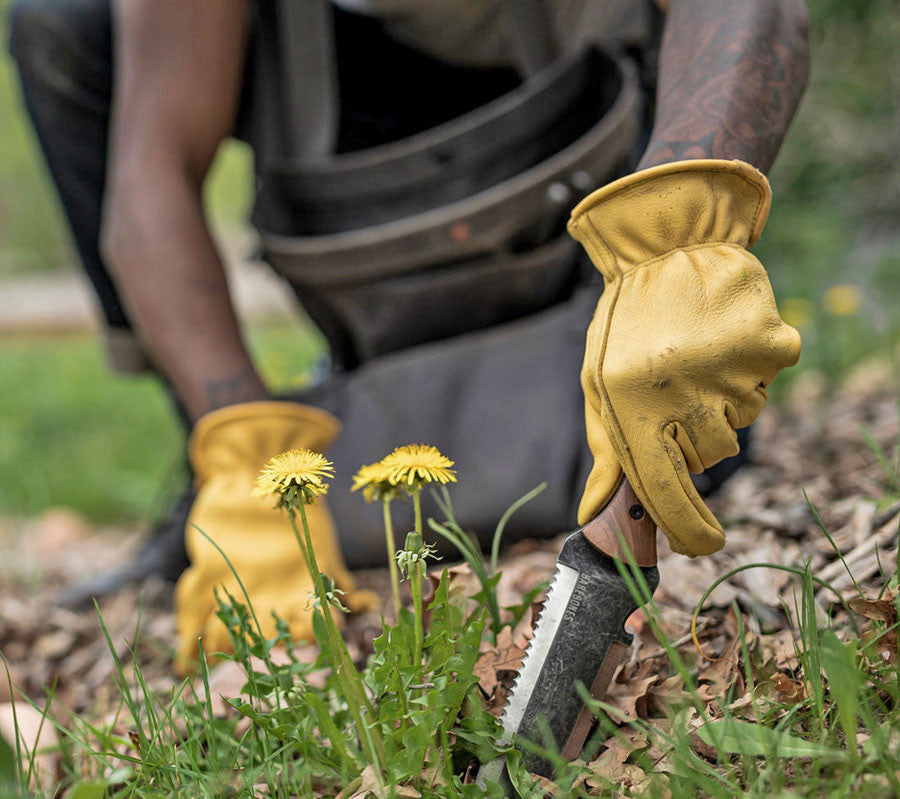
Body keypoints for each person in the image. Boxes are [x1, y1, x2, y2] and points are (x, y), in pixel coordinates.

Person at [8, 0, 808, 668]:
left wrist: (682, 244)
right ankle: (220, 480)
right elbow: (152, 170)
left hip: (591, 139)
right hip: (342, 128)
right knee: (66, 22)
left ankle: (653, 386)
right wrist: (244, 451)